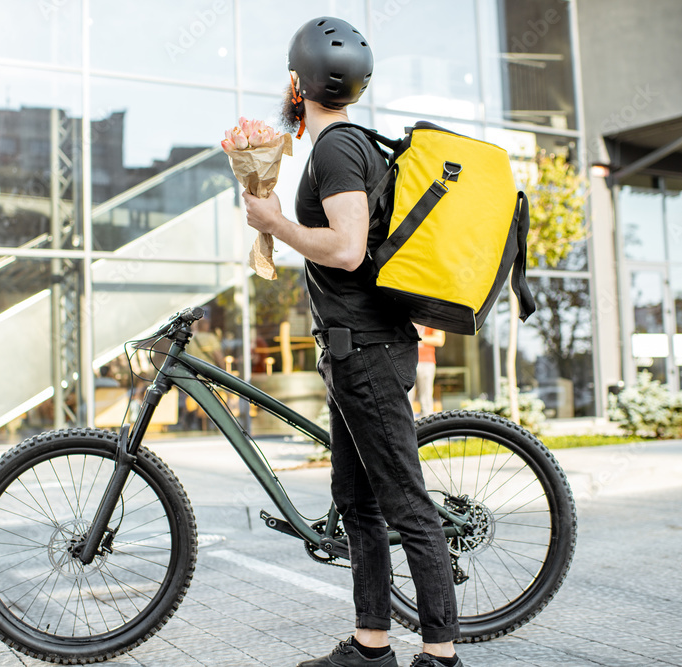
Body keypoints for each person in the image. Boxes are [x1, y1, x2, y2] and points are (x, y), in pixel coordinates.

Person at [242, 16, 464, 667]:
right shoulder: (349, 146)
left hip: (365, 352)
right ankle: (372, 646)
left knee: (406, 506)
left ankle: (442, 655)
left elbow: (345, 248)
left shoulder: (338, 150)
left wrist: (277, 221)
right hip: (351, 353)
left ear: (294, 84)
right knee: (358, 501)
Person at [408, 324, 445, 417]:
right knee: (406, 399)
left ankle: (427, 428)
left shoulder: (432, 317)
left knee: (426, 400)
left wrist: (414, 336)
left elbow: (439, 340)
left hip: (426, 361)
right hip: (406, 361)